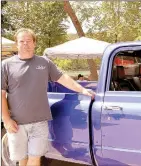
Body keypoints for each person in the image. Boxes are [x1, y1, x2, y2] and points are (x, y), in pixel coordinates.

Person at [1, 28, 96, 166]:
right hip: (16, 123)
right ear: (17, 44)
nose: (25, 44)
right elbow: (1, 94)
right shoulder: (6, 65)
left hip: (39, 122)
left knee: (35, 158)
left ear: (34, 43)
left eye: (29, 41)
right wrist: (6, 120)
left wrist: (82, 90)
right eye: (22, 41)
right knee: (22, 160)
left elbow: (63, 78)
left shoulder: (44, 63)